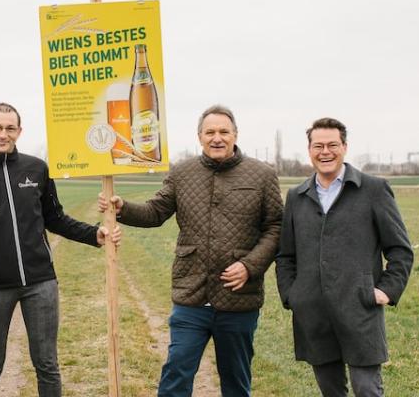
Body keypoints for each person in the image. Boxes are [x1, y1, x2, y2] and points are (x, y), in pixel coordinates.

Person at [97, 105, 282, 397]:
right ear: (200, 137)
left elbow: (275, 227)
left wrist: (250, 266)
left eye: (224, 131)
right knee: (176, 374)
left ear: (235, 135)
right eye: (210, 132)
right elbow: (155, 212)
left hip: (238, 299)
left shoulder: (262, 175)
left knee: (236, 382)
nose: (217, 138)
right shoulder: (182, 173)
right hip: (191, 295)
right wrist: (123, 209)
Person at [0, 102, 122, 397]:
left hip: (40, 284)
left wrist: (94, 234)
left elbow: (55, 218)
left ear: (19, 131)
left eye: (9, 128)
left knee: (47, 364)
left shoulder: (37, 168)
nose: (3, 134)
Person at [275, 117, 414, 397]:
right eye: (318, 146)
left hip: (359, 309)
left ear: (345, 147)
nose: (325, 152)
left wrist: (386, 290)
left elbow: (400, 249)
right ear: (309, 150)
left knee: (367, 390)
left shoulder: (373, 190)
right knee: (330, 391)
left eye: (332, 145)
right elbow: (286, 255)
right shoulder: (297, 196)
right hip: (313, 312)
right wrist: (293, 295)